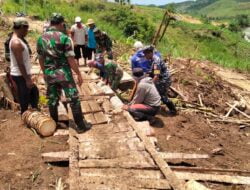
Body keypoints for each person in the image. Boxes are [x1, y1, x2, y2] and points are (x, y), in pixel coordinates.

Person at [37, 13, 91, 133]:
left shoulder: (41, 39)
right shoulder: (64, 38)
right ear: (61, 24)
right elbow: (70, 59)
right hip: (64, 74)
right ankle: (81, 126)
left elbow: (41, 58)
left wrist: (45, 72)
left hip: (50, 73)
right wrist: (78, 73)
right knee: (73, 98)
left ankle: (54, 123)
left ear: (51, 23)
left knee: (52, 99)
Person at [9, 17, 39, 114]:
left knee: (33, 92)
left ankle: (32, 111)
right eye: (26, 29)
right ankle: (25, 115)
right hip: (20, 74)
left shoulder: (19, 40)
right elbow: (20, 63)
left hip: (22, 74)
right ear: (21, 27)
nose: (27, 32)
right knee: (25, 96)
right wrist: (27, 79)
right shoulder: (16, 42)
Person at [142, 45, 177, 115]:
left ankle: (173, 110)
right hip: (161, 78)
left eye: (146, 54)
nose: (145, 56)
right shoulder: (153, 59)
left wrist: (150, 85)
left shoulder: (156, 62)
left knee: (161, 95)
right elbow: (154, 71)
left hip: (163, 80)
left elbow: (156, 76)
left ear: (150, 53)